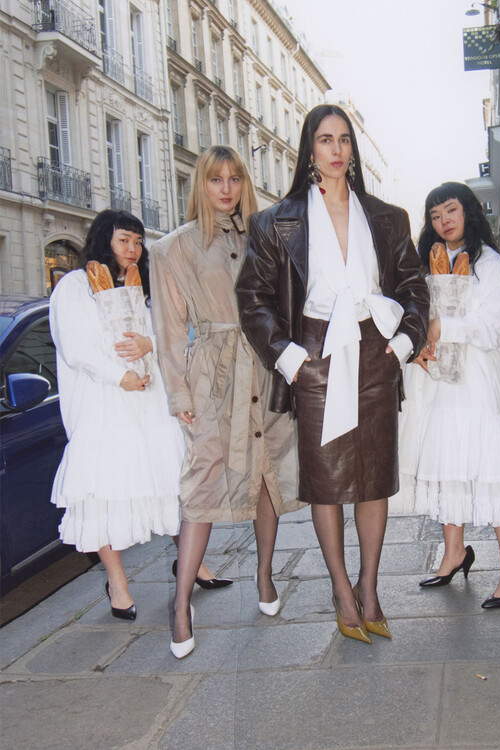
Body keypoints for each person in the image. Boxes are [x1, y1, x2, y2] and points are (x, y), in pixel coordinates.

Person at [236, 105, 429, 643]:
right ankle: (342, 592)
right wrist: (290, 358)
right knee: (326, 481)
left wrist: (402, 345)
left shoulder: (387, 217)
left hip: (375, 348)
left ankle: (369, 587)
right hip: (315, 354)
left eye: (344, 139)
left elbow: (414, 288)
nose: (337, 149)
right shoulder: (276, 221)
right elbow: (252, 299)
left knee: (374, 475)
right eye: (326, 139)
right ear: (310, 149)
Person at [150, 145, 303, 659]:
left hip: (265, 365)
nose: (226, 188)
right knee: (202, 484)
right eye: (216, 179)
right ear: (202, 184)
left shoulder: (265, 237)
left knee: (267, 473)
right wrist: (179, 393)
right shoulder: (173, 249)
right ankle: (180, 604)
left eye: (234, 178)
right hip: (212, 377)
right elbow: (169, 332)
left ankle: (264, 575)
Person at [393, 181, 500, 608]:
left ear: (469, 211)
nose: (444, 221)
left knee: (489, 465)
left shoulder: (488, 263)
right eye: (435, 215)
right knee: (446, 460)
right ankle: (454, 552)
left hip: (475, 379)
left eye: (451, 210)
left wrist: (443, 327)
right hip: (438, 381)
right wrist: (418, 344)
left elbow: (495, 324)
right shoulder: (428, 262)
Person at [49, 209, 185, 620]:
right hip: (103, 405)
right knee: (104, 492)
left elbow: (171, 330)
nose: (133, 249)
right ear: (103, 239)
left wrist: (149, 344)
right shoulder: (75, 286)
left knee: (169, 481)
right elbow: (76, 347)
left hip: (148, 402)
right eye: (124, 239)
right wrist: (119, 375)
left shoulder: (141, 285)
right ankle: (118, 582)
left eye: (138, 242)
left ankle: (192, 563)